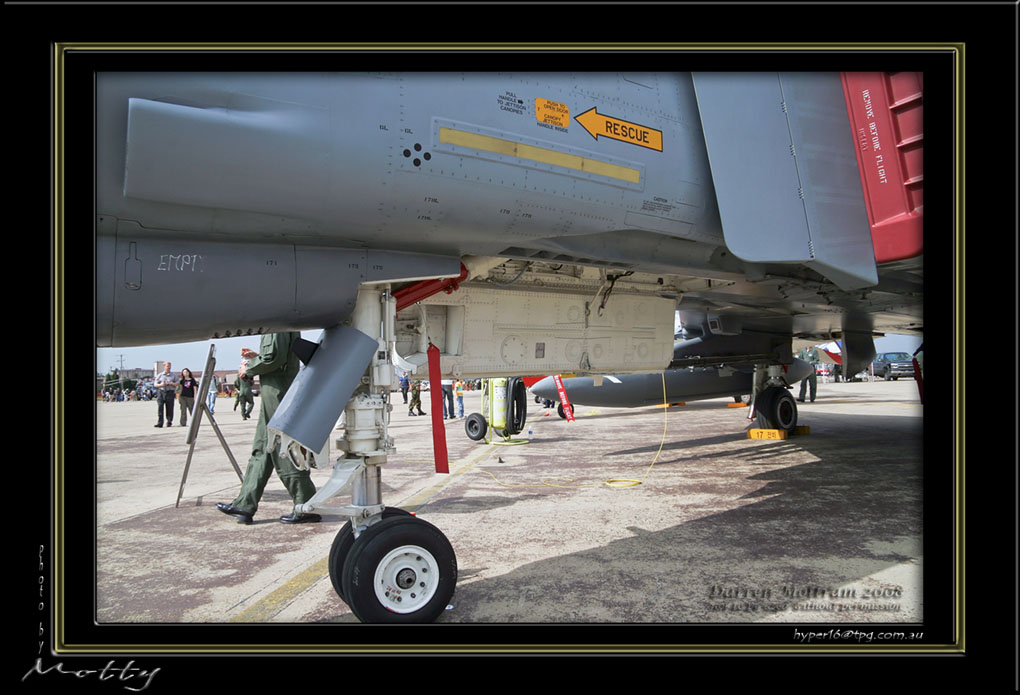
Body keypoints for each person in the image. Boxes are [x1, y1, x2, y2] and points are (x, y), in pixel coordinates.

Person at [216, 332, 319, 525]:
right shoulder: (281, 319)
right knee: (263, 448)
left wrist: (249, 368)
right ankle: (245, 504)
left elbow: (273, 359)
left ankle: (306, 503)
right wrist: (256, 359)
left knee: (283, 448)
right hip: (274, 389)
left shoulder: (276, 323)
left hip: (277, 392)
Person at [153, 362, 178, 428]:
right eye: (167, 366)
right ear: (164, 366)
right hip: (161, 392)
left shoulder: (174, 375)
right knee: (160, 407)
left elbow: (177, 383)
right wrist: (161, 385)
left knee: (170, 407)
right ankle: (160, 423)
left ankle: (169, 421)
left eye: (169, 366)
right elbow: (155, 384)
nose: (169, 368)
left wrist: (171, 383)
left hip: (170, 392)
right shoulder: (160, 375)